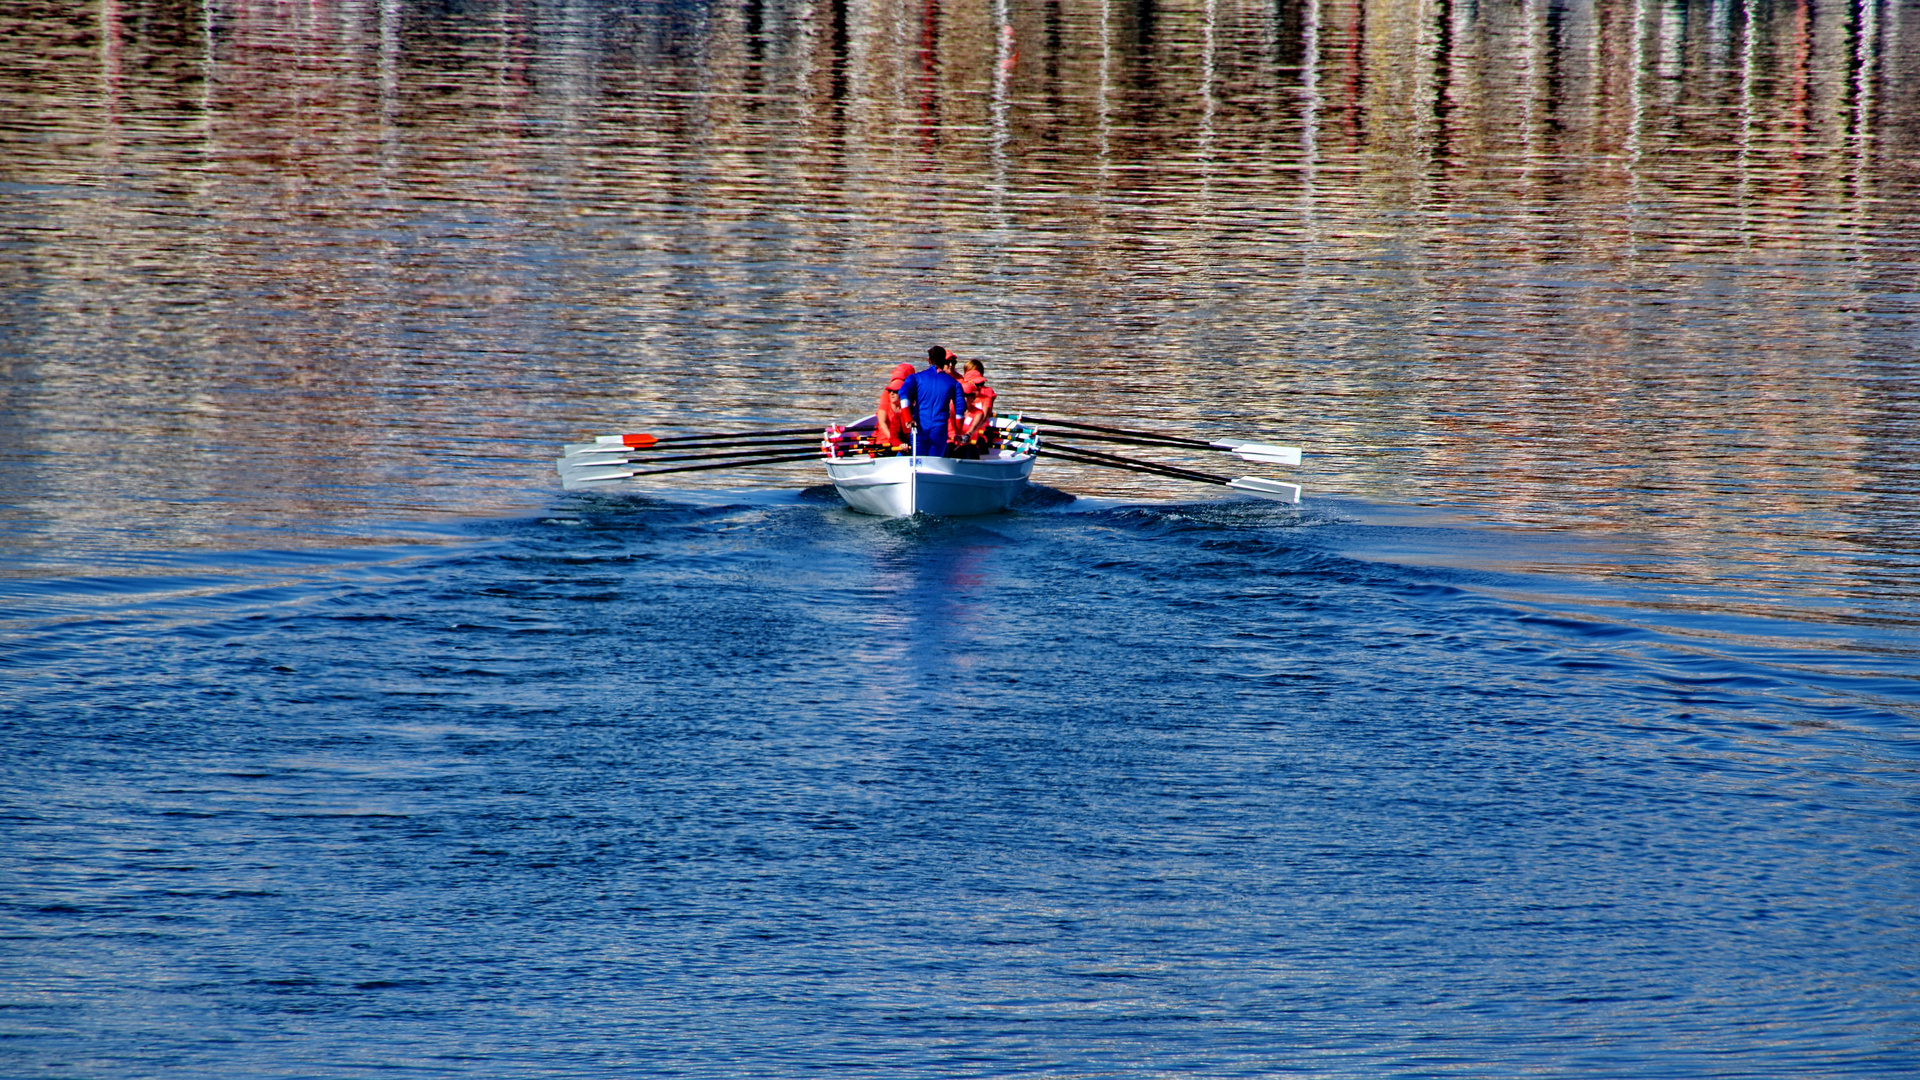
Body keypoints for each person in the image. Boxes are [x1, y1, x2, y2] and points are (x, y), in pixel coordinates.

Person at [897, 346, 968, 457]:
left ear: (929, 361)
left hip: (919, 429)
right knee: (933, 462)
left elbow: (903, 394)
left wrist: (908, 418)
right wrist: (958, 433)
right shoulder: (954, 384)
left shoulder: (915, 378)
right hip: (939, 431)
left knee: (918, 460)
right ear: (944, 361)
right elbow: (960, 410)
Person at [955, 358, 996, 451]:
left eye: (982, 383)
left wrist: (969, 432)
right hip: (961, 434)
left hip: (979, 433)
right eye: (977, 384)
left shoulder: (986, 394)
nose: (980, 387)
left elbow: (983, 418)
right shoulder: (959, 393)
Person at [873, 362, 916, 449]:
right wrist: (893, 441)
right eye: (890, 391)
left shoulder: (912, 396)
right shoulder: (887, 395)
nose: (891, 393)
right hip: (887, 439)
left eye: (896, 390)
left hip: (903, 440)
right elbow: (882, 422)